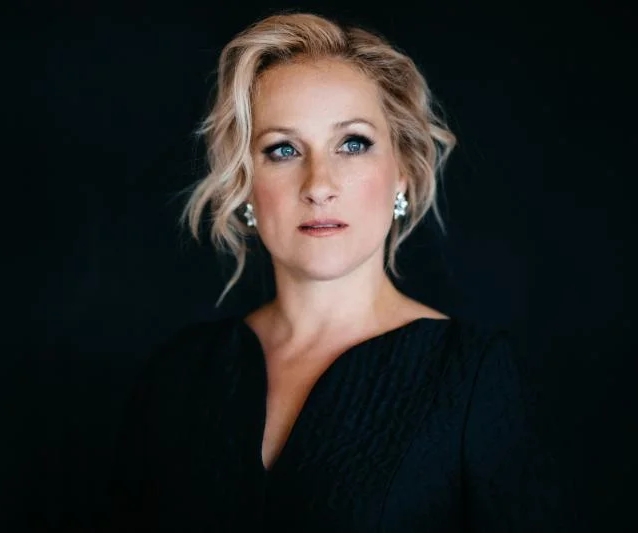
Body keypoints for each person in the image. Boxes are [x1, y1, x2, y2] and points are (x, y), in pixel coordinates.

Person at [108, 11, 572, 532]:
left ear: (402, 172)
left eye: (352, 143)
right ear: (245, 183)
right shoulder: (180, 375)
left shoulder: (472, 377)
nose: (319, 185)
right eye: (283, 150)